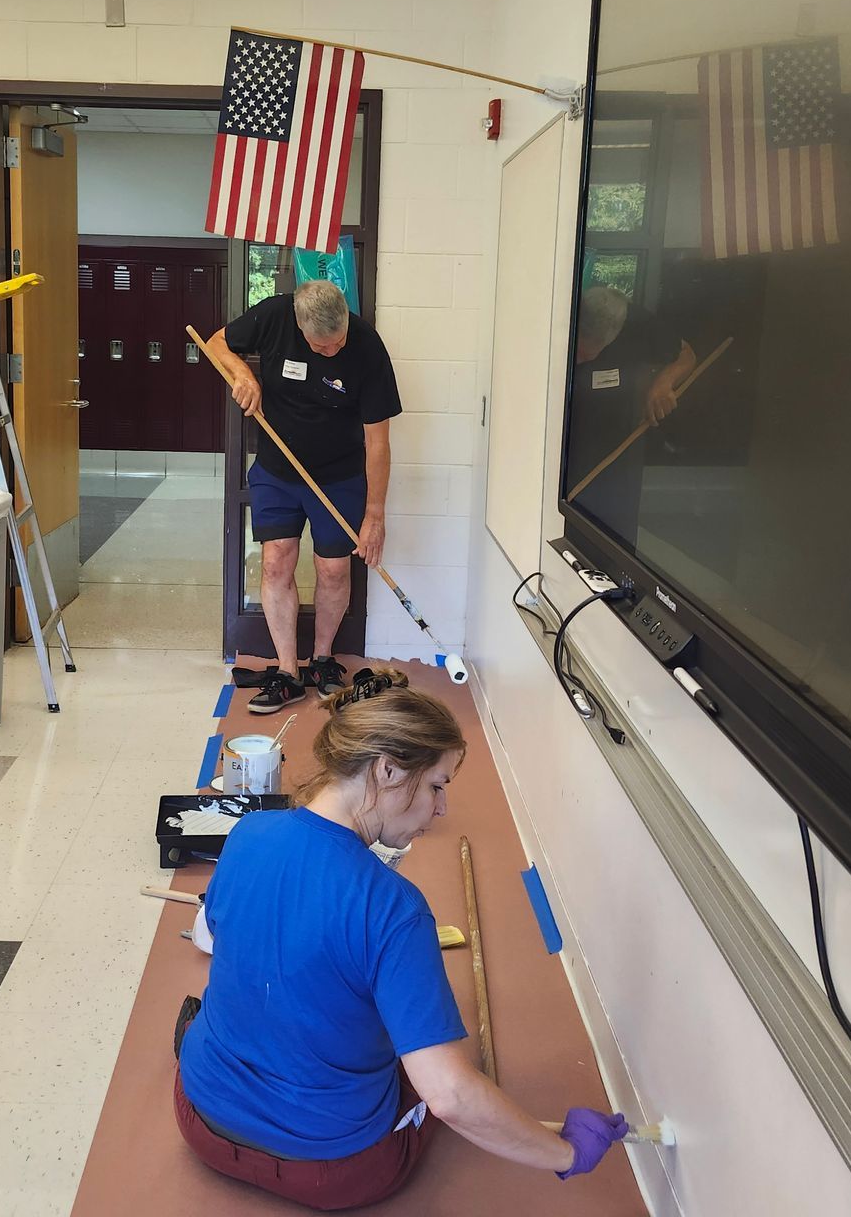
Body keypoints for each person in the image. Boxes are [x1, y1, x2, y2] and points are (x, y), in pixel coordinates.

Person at [173, 670, 631, 1210]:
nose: (440, 809)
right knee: (437, 1076)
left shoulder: (250, 832)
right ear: (387, 769)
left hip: (198, 1119)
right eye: (437, 785)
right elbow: (451, 1097)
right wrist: (564, 1153)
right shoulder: (395, 909)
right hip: (330, 1170)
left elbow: (210, 934)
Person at [206, 280, 403, 715]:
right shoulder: (275, 316)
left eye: (338, 344)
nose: (331, 352)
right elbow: (217, 342)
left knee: (333, 570)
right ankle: (288, 672)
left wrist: (375, 516)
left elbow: (378, 442)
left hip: (339, 476)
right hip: (278, 471)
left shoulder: (367, 348)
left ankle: (322, 659)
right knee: (276, 562)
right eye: (321, 347)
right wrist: (244, 375)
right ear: (298, 324)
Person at [565, 285, 696, 532]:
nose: (576, 361)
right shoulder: (565, 309)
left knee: (607, 521)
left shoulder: (640, 324)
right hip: (568, 436)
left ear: (612, 338)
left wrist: (664, 382)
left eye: (584, 355)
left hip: (614, 439)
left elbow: (686, 355)